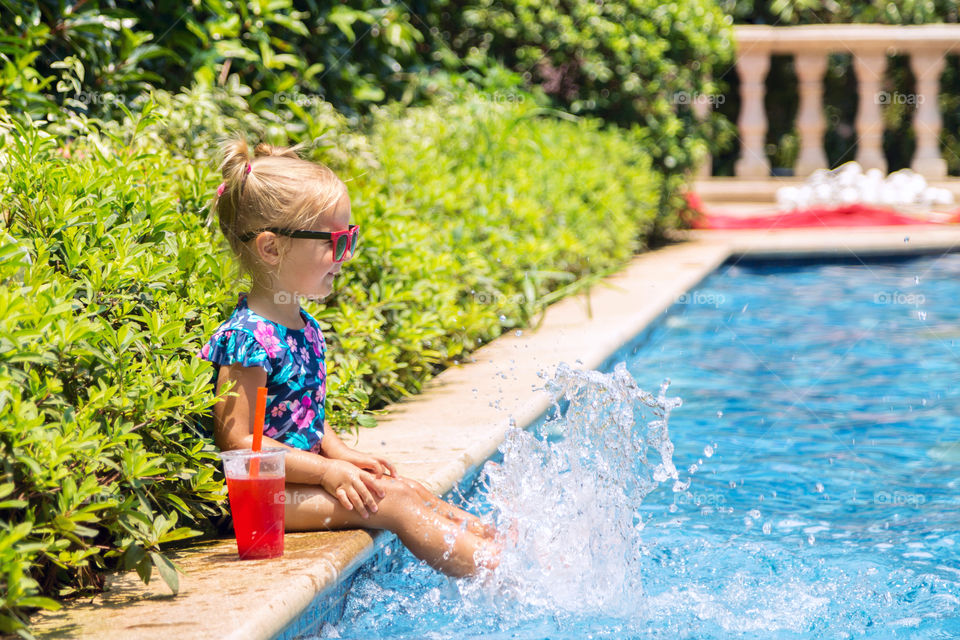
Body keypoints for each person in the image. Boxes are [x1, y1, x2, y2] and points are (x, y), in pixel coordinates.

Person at [198, 138, 499, 577]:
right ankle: (498, 578)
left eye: (350, 238)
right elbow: (239, 443)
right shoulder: (247, 339)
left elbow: (302, 413)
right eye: (336, 242)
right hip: (263, 502)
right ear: (271, 248)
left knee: (406, 488)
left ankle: (500, 550)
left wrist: (337, 451)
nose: (347, 255)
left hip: (298, 482)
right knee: (393, 502)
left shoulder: (302, 324)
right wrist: (324, 471)